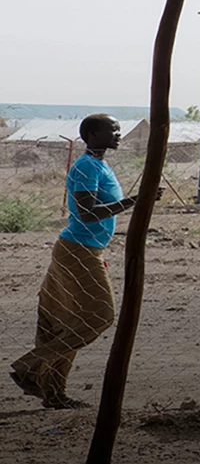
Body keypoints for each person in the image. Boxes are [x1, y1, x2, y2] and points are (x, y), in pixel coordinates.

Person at [9, 114, 155, 409]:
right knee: (99, 316)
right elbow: (88, 212)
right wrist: (132, 202)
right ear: (90, 134)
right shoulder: (87, 166)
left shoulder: (99, 165)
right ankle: (29, 367)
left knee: (66, 324)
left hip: (85, 250)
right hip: (78, 251)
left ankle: (53, 393)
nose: (118, 133)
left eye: (118, 129)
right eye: (111, 130)